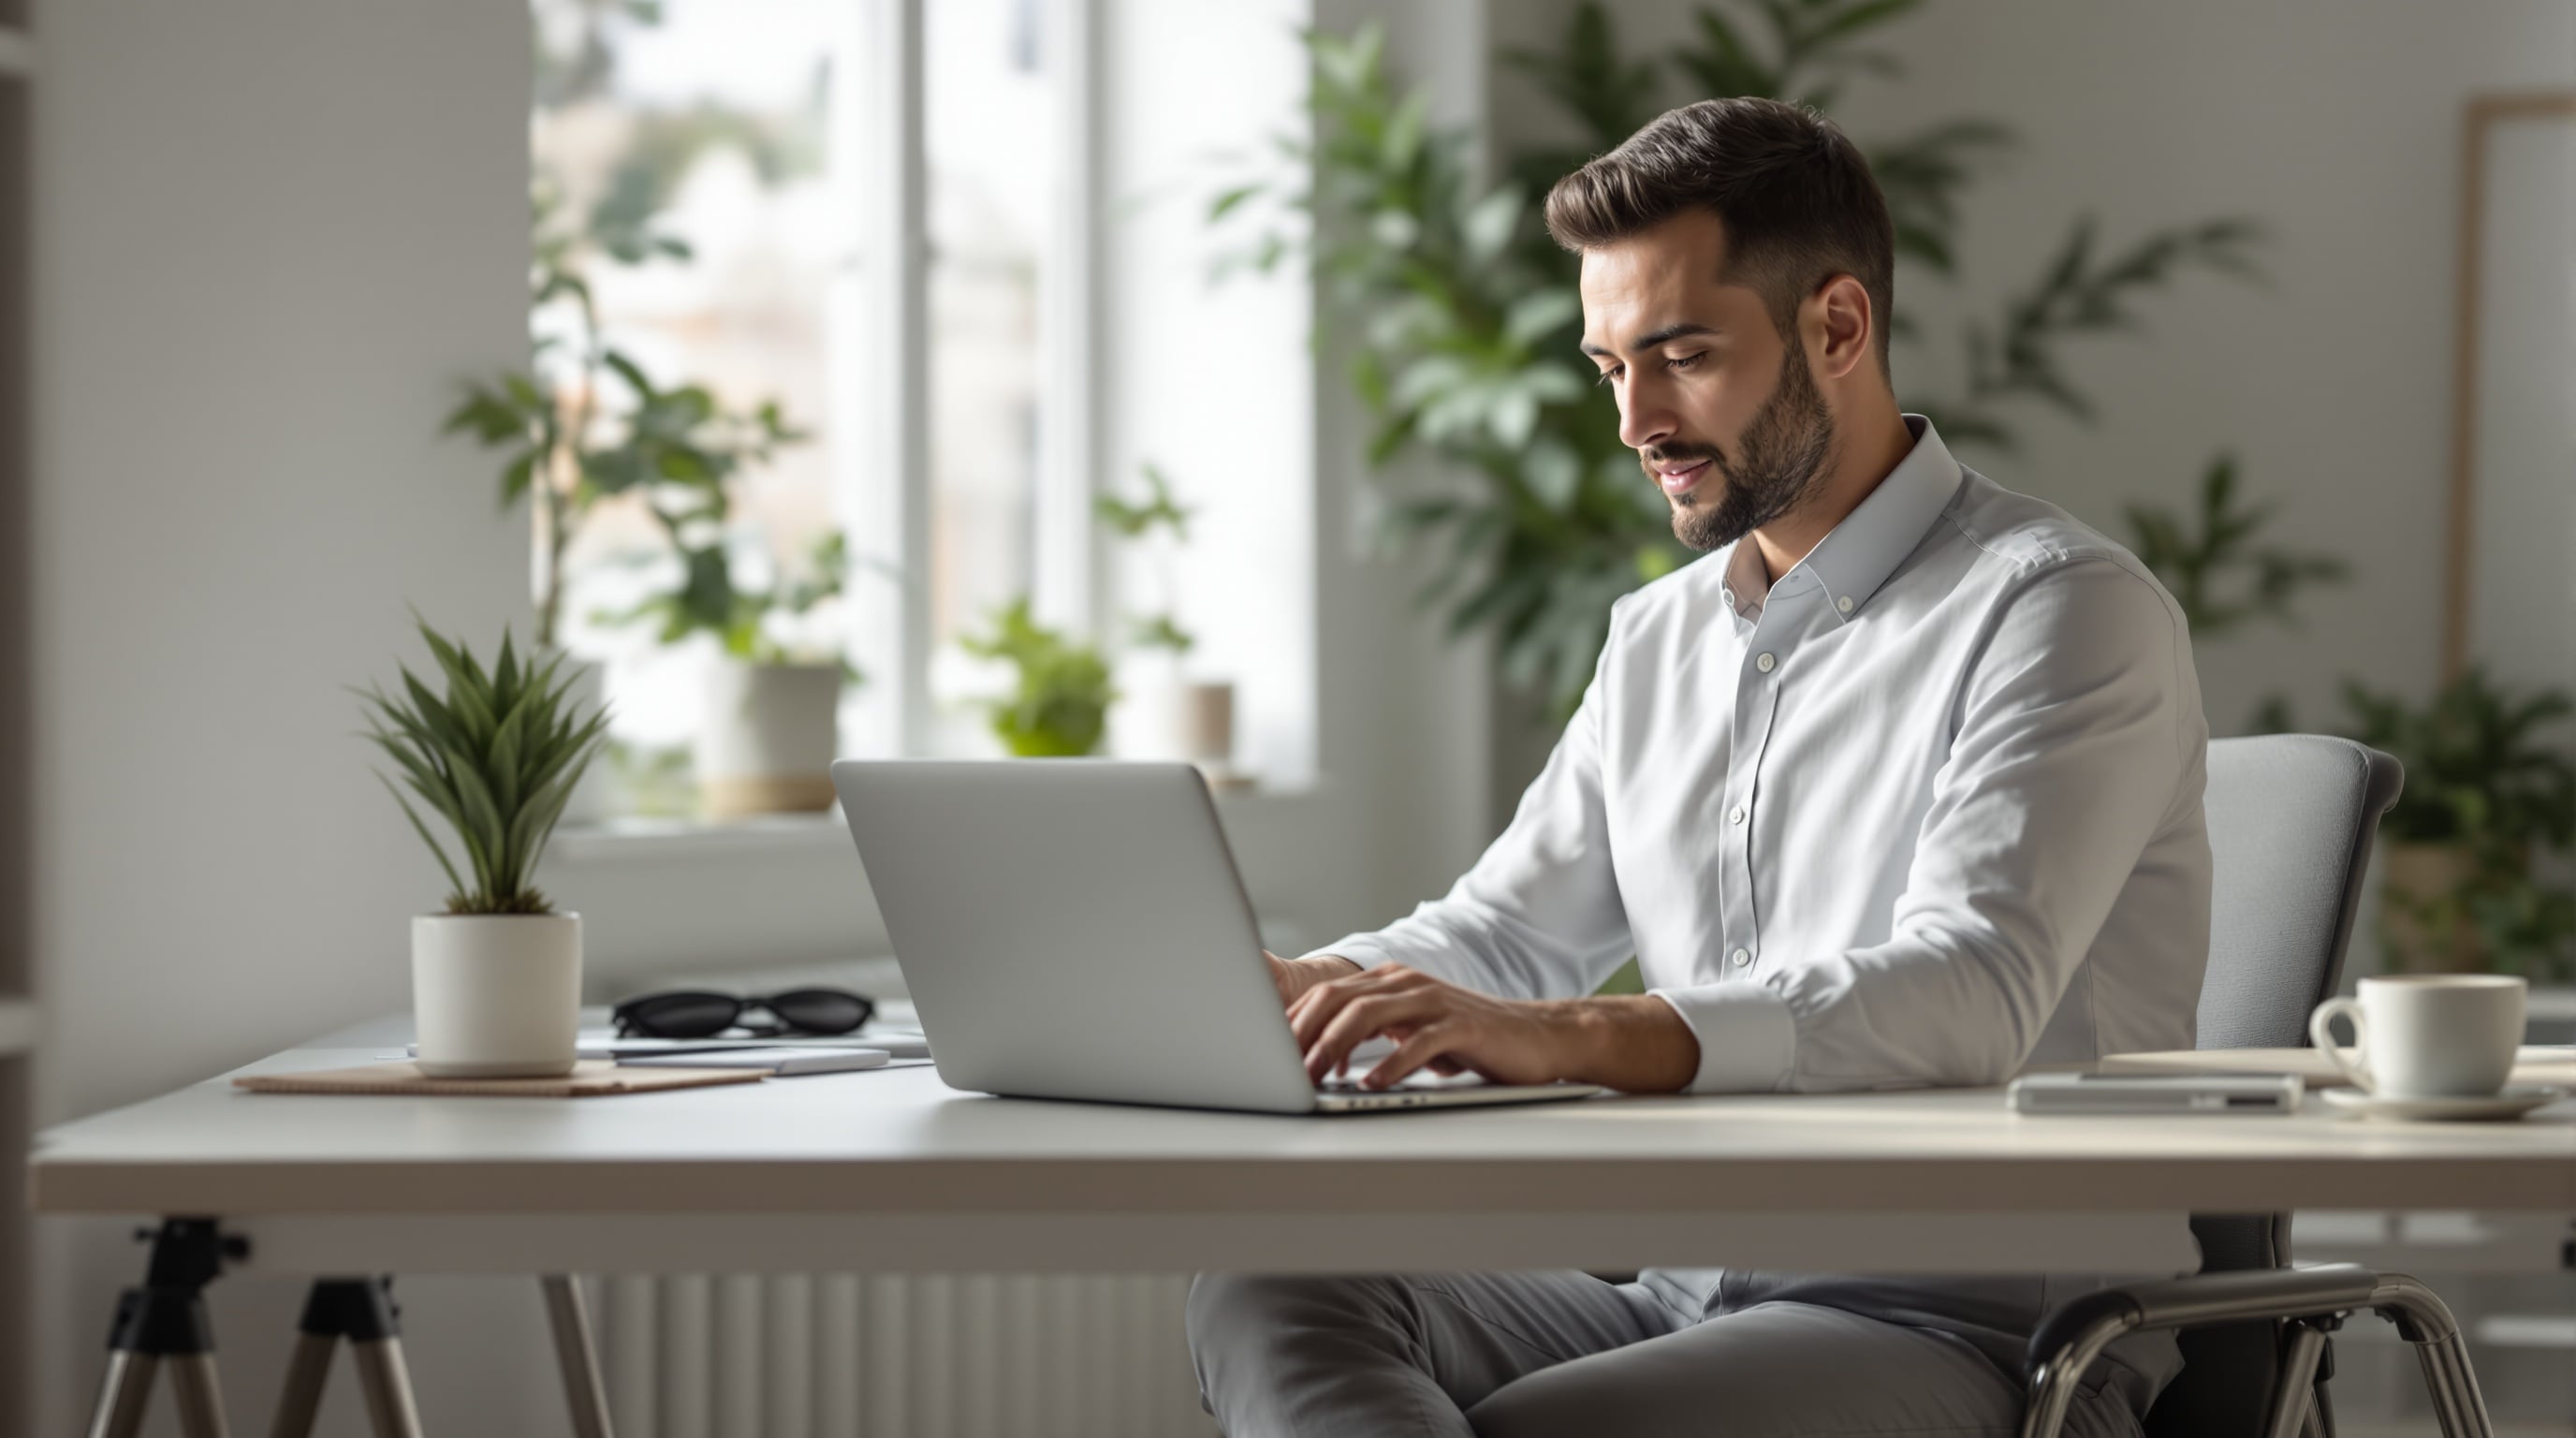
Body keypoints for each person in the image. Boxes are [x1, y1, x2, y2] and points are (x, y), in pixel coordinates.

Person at [1185, 96, 2212, 1438]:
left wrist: (1578, 1036)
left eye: (1680, 356)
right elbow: (1504, 935)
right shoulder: (1659, 638)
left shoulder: (2059, 608)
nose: (1635, 422)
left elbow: (1973, 988)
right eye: (1611, 366)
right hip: (1684, 1292)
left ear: (1837, 328)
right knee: (1263, 1283)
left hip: (1985, 1329)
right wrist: (1305, 991)